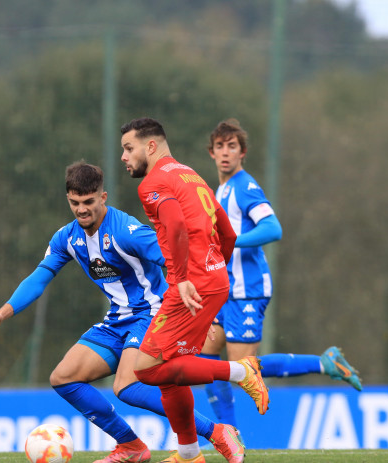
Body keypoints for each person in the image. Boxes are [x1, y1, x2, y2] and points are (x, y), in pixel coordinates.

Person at [0, 161, 247, 463]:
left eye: (89, 202)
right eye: (75, 203)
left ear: (103, 198)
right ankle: (131, 446)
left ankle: (218, 431)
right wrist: (4, 312)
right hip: (117, 320)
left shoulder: (127, 231)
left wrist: (197, 309)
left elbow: (175, 258)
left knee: (127, 386)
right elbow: (40, 276)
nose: (81, 209)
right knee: (64, 378)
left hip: (151, 315)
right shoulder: (67, 237)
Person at [120, 117, 269, 463]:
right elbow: (228, 235)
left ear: (151, 146)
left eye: (129, 149)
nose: (125, 157)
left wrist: (185, 275)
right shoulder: (191, 175)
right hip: (213, 281)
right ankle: (189, 453)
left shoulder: (153, 184)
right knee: (172, 368)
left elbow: (174, 224)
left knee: (145, 370)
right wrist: (215, 273)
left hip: (191, 284)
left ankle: (242, 372)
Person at [199, 118, 362, 430]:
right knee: (205, 361)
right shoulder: (220, 190)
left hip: (249, 290)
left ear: (242, 153)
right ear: (211, 152)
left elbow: (273, 228)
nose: (225, 153)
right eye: (219, 146)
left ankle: (325, 363)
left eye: (231, 146)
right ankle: (228, 434)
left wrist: (231, 242)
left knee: (241, 369)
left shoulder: (244, 187)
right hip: (224, 290)